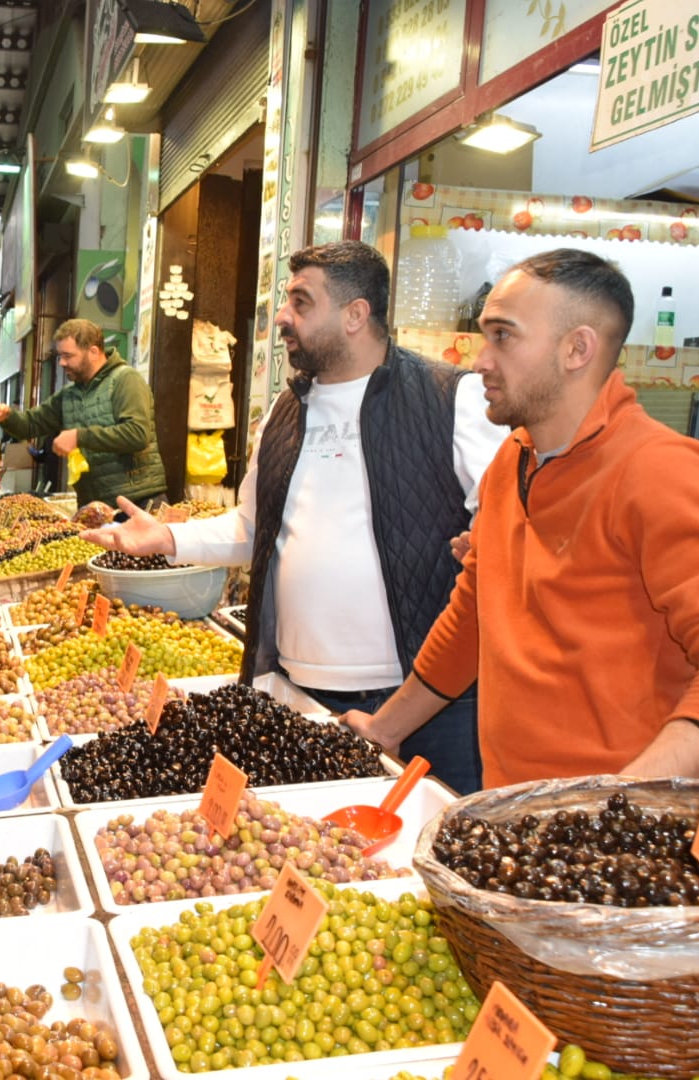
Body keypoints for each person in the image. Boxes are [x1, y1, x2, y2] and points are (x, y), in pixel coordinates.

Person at [84, 242, 505, 794]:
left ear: (356, 315)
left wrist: (490, 540)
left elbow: (505, 530)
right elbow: (254, 529)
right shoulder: (286, 411)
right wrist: (166, 536)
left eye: (301, 303)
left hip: (429, 706)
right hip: (299, 696)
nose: (282, 317)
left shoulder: (452, 399)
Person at [343, 248, 699, 788]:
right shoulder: (510, 462)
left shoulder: (664, 471)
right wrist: (384, 729)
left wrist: (620, 803)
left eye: (503, 335)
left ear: (577, 349)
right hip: (511, 813)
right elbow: (471, 620)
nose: (480, 360)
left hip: (617, 843)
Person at [0, 318, 166, 509]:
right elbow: (30, 425)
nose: (62, 363)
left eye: (68, 356)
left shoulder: (126, 380)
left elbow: (137, 434)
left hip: (138, 501)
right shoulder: (69, 394)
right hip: (96, 505)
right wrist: (7, 417)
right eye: (60, 356)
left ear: (94, 352)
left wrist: (78, 437)